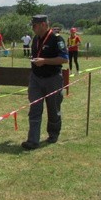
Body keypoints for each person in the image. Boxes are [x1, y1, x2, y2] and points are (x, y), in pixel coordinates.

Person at [21, 15, 68, 150]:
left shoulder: (57, 38)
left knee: (53, 109)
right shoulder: (35, 39)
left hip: (52, 78)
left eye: (34, 26)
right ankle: (32, 140)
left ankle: (53, 134)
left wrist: (44, 61)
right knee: (34, 108)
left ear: (42, 24)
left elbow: (64, 59)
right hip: (36, 78)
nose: (32, 28)